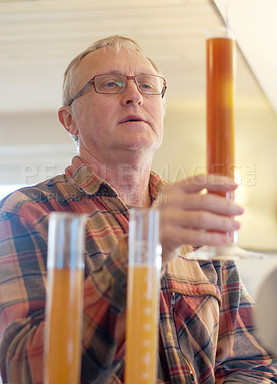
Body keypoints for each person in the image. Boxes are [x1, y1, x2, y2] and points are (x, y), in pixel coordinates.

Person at [0, 35, 276, 384]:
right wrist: (145, 248)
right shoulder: (29, 212)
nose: (134, 95)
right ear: (69, 120)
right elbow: (25, 368)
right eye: (110, 83)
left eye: (146, 84)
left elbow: (253, 362)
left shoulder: (197, 226)